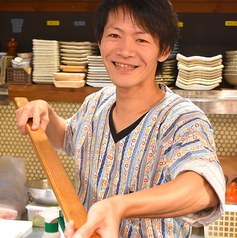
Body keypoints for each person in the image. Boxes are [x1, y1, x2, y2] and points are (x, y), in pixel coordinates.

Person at [16, 0, 225, 237]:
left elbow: (203, 188)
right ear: (100, 41)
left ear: (164, 50)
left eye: (141, 39)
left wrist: (119, 206)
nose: (125, 51)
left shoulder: (183, 120)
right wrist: (46, 113)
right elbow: (68, 138)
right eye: (114, 35)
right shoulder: (96, 103)